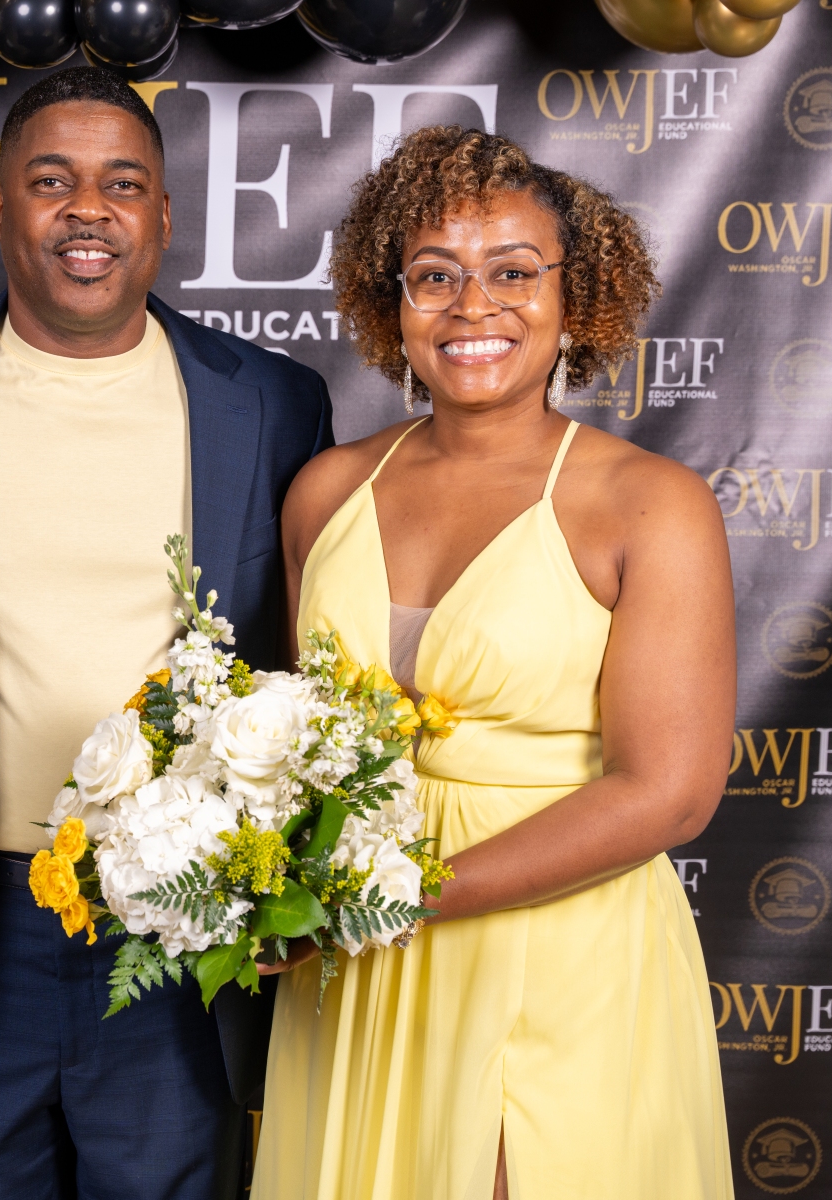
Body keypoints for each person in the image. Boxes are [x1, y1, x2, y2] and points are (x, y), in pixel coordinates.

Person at [0, 68, 333, 1200]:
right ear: (0, 210)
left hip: (182, 924)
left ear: (163, 217)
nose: (88, 209)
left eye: (122, 184)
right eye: (52, 181)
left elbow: (317, 647)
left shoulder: (274, 403)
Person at [251, 127, 736, 1200]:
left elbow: (670, 792)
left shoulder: (650, 505)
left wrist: (400, 897)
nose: (473, 307)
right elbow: (299, 748)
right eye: (435, 277)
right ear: (392, 304)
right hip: (357, 966)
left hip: (557, 953)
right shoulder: (326, 492)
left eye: (514, 273)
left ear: (577, 294)